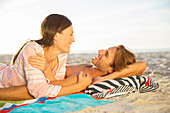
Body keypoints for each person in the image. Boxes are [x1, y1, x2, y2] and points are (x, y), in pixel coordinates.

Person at [0, 44, 146, 100]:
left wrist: (45, 68)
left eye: (106, 54)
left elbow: (47, 87)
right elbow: (141, 64)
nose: (100, 50)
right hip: (11, 71)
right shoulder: (91, 69)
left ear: (111, 68)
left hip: (18, 78)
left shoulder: (85, 77)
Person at [0, 14, 92, 99]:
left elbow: (56, 84)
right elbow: (38, 91)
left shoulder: (61, 55)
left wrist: (47, 70)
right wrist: (79, 86)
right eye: (70, 34)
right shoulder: (33, 49)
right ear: (56, 35)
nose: (73, 40)